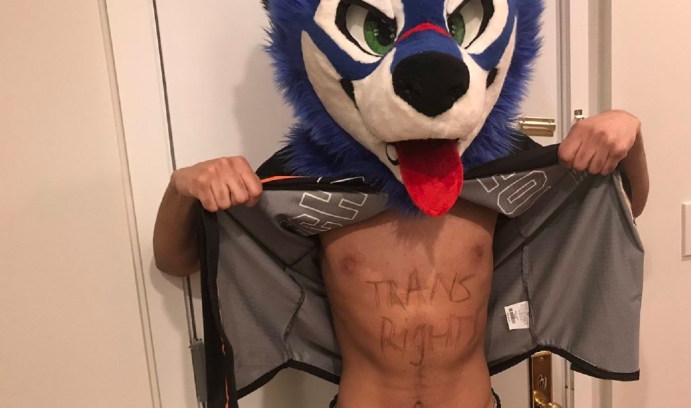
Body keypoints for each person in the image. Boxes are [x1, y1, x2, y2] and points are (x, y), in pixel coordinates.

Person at [154, 109, 648, 408]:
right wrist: (182, 186)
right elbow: (176, 260)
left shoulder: (496, 159)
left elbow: (622, 205)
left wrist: (630, 136)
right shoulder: (309, 172)